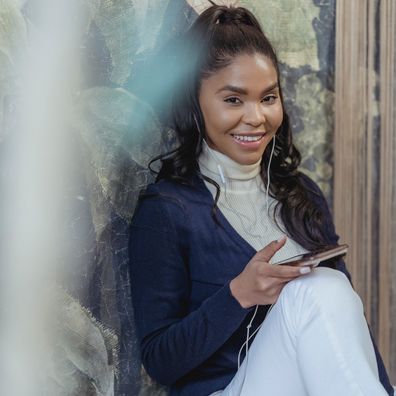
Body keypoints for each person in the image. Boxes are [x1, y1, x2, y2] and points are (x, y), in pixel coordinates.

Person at [129, 3, 394, 396]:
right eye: (234, 100)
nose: (256, 117)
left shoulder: (300, 194)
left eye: (268, 98)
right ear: (195, 103)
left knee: (330, 287)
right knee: (318, 288)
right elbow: (161, 361)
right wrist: (238, 295)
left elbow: (346, 330)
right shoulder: (167, 210)